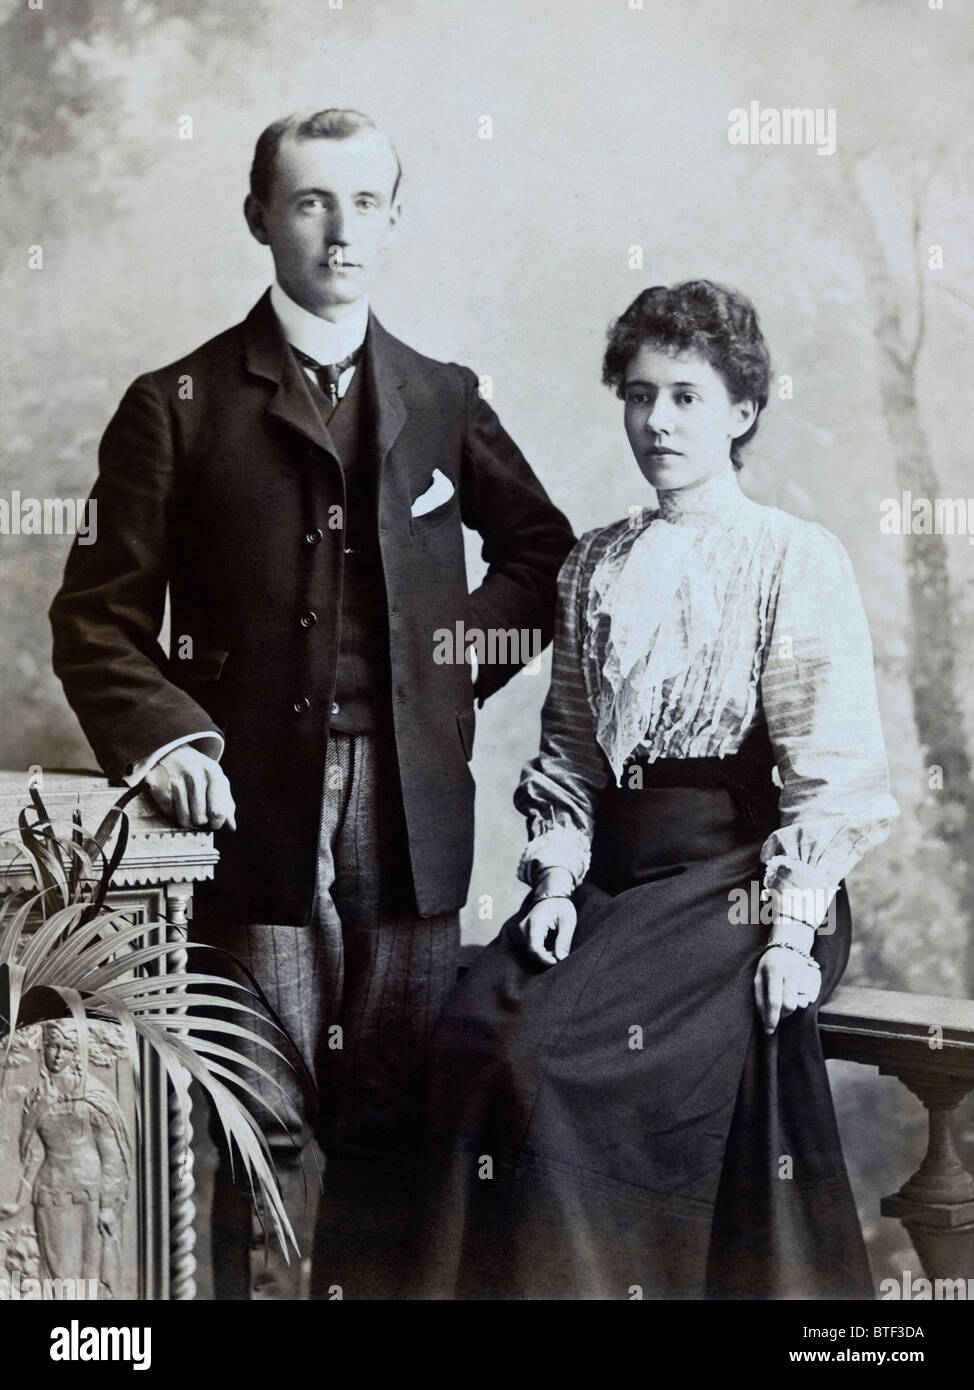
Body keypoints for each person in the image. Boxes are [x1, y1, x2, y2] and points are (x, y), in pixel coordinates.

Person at [48, 108, 574, 1299]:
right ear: (258, 218)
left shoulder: (442, 395)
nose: (342, 232)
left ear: (395, 219)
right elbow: (95, 618)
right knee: (259, 1120)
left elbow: (542, 556)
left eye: (367, 203)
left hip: (412, 808)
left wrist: (439, 673)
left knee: (390, 1120)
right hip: (251, 811)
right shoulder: (174, 403)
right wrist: (169, 736)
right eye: (310, 203)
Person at [416, 279, 899, 1300]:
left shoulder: (789, 557)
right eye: (637, 396)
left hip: (741, 877)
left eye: (685, 395)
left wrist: (787, 930)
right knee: (472, 1033)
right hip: (612, 877)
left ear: (741, 411)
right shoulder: (593, 563)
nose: (656, 421)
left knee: (562, 1063)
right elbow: (570, 759)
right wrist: (551, 886)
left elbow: (829, 767)